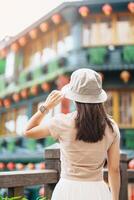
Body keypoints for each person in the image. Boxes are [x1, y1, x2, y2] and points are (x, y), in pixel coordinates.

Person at [24, 68, 120, 200]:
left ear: (74, 97)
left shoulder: (62, 122)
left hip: (67, 191)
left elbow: (28, 132)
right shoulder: (111, 127)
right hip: (98, 191)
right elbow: (114, 169)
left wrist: (45, 107)